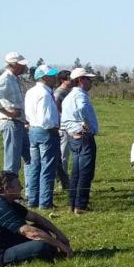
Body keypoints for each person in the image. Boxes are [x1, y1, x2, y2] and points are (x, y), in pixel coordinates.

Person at [0, 170, 72, 267]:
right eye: (18, 185)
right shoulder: (1, 207)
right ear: (7, 189)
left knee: (42, 230)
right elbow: (31, 233)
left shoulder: (4, 201)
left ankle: (53, 253)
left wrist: (59, 234)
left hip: (5, 242)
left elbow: (35, 217)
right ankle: (55, 255)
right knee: (41, 245)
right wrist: (60, 244)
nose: (22, 187)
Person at [61, 68, 100, 214]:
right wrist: (90, 125)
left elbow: (64, 120)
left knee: (76, 172)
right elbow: (83, 108)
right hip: (84, 137)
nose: (91, 82)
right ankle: (81, 205)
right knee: (85, 172)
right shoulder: (80, 96)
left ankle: (72, 203)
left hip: (73, 137)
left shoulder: (68, 97)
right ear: (81, 80)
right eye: (89, 79)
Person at [0, 51, 30, 174]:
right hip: (11, 123)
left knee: (30, 157)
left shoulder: (15, 79)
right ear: (13, 64)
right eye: (21, 64)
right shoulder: (5, 79)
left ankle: (30, 191)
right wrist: (8, 113)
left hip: (19, 123)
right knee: (12, 162)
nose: (24, 67)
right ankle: (8, 191)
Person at [24, 64, 61, 210]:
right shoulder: (45, 94)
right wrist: (55, 127)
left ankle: (33, 200)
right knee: (47, 167)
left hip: (33, 130)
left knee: (35, 166)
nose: (54, 78)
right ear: (44, 77)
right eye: (51, 75)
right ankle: (45, 202)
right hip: (46, 131)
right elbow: (46, 118)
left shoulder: (30, 92)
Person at [53, 69, 73, 190]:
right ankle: (62, 180)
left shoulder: (69, 92)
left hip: (68, 127)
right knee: (63, 155)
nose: (71, 80)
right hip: (62, 127)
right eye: (69, 78)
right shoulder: (59, 93)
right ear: (62, 80)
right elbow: (58, 110)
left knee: (66, 154)